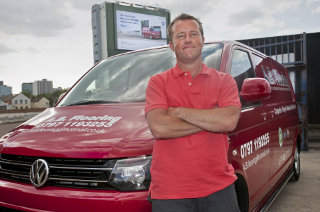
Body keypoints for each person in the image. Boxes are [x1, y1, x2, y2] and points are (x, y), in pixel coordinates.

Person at [145, 13, 241, 212]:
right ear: (171, 45)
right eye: (180, 36)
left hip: (220, 188)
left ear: (202, 40)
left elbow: (229, 121)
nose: (187, 39)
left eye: (193, 34)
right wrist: (211, 118)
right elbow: (160, 127)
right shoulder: (158, 82)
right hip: (170, 194)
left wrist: (177, 111)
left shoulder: (225, 81)